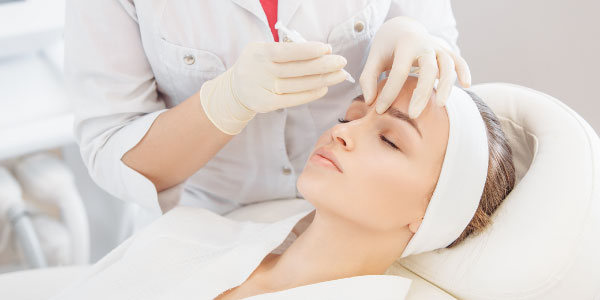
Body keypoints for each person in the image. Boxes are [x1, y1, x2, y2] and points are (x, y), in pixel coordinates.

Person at [53, 77, 515, 300]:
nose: (342, 132)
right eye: (349, 116)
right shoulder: (190, 232)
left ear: (434, 211)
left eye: (390, 140)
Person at [64, 1, 472, 223]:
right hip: (206, 217)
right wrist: (223, 104)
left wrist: (423, 44)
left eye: (386, 137)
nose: (342, 133)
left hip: (360, 217)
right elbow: (110, 145)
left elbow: (444, 106)